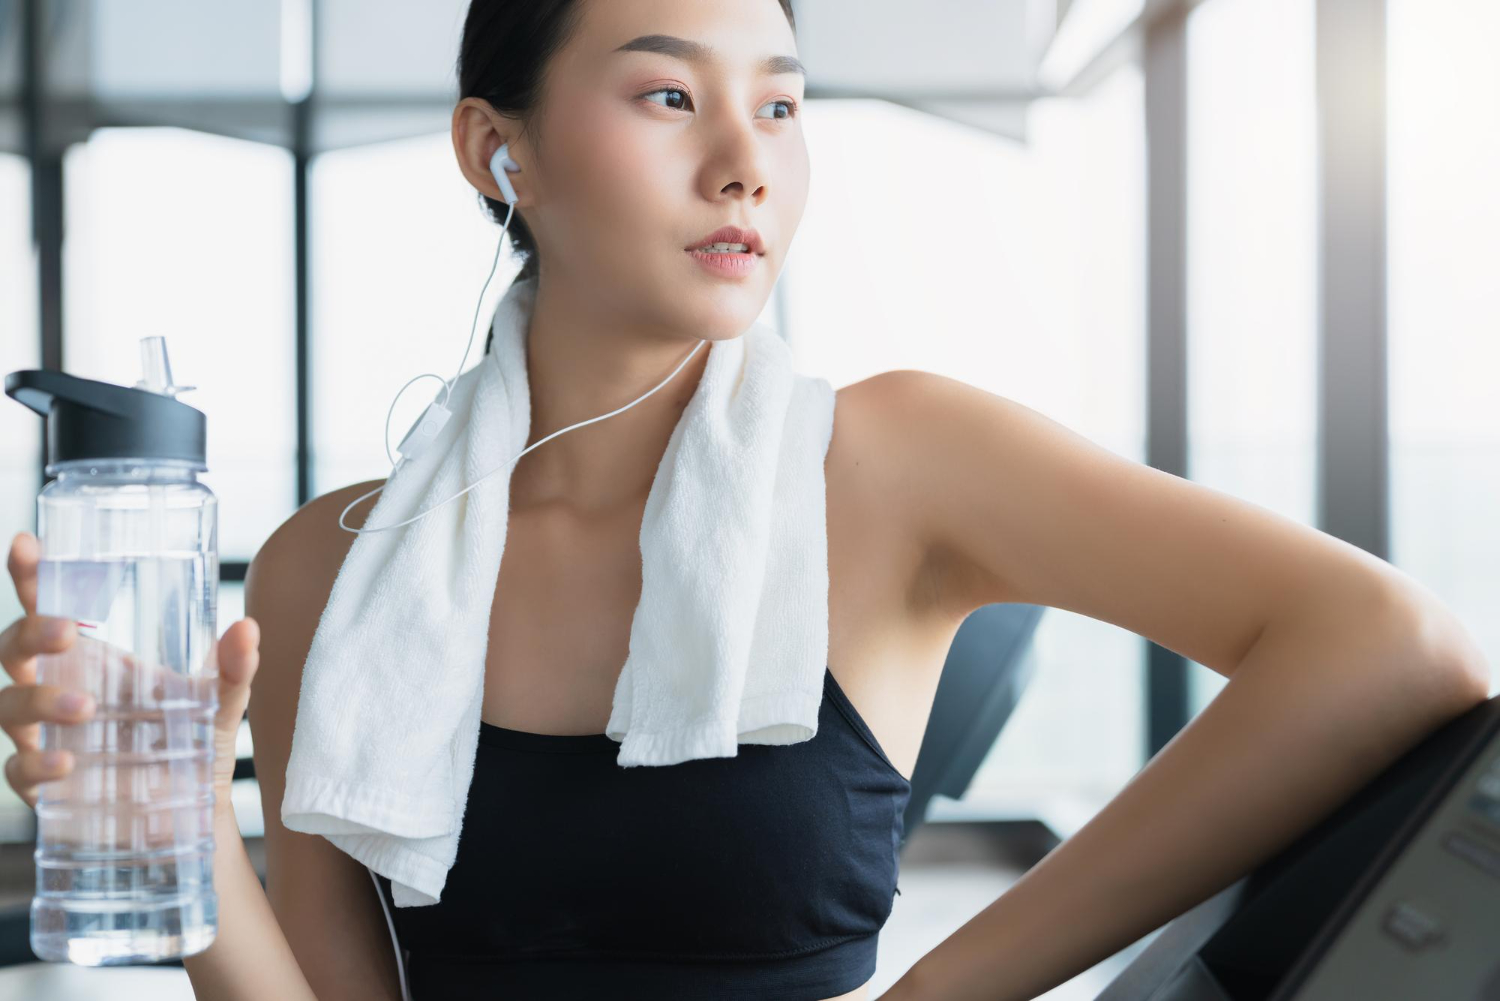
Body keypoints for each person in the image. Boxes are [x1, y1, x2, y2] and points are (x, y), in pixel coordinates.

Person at [3, 0, 1491, 998]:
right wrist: (183, 836)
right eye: (669, 94)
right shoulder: (325, 567)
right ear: (494, 149)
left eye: (781, 108)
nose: (744, 166)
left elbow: (1390, 646)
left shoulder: (902, 460)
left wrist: (936, 993)